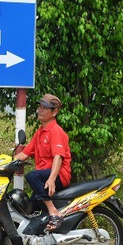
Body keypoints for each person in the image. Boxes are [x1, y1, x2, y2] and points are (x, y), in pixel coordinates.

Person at [14, 93, 71, 231]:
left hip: (58, 176)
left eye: (45, 108)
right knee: (30, 207)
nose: (40, 110)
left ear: (55, 112)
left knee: (32, 176)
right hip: (44, 176)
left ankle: (54, 213)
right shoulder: (40, 132)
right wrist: (3, 164)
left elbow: (58, 157)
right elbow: (24, 154)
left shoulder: (56, 131)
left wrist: (51, 179)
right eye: (40, 107)